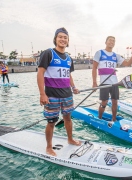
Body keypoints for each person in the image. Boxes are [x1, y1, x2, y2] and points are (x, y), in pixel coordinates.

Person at [37, 27, 80, 156]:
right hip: (52, 95)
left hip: (67, 94)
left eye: (65, 37)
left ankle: (70, 139)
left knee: (68, 118)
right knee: (51, 122)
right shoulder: (48, 53)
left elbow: (68, 75)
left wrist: (73, 87)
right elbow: (40, 73)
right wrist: (42, 94)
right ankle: (49, 147)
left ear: (68, 41)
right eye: (60, 37)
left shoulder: (68, 58)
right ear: (55, 39)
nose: (63, 39)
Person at [92, 36, 132, 122]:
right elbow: (94, 68)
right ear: (106, 42)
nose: (111, 42)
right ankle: (99, 118)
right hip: (104, 82)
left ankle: (114, 119)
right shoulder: (99, 53)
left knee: (115, 102)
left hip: (115, 83)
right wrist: (94, 82)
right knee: (104, 102)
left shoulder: (116, 56)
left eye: (113, 41)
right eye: (110, 40)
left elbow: (127, 64)